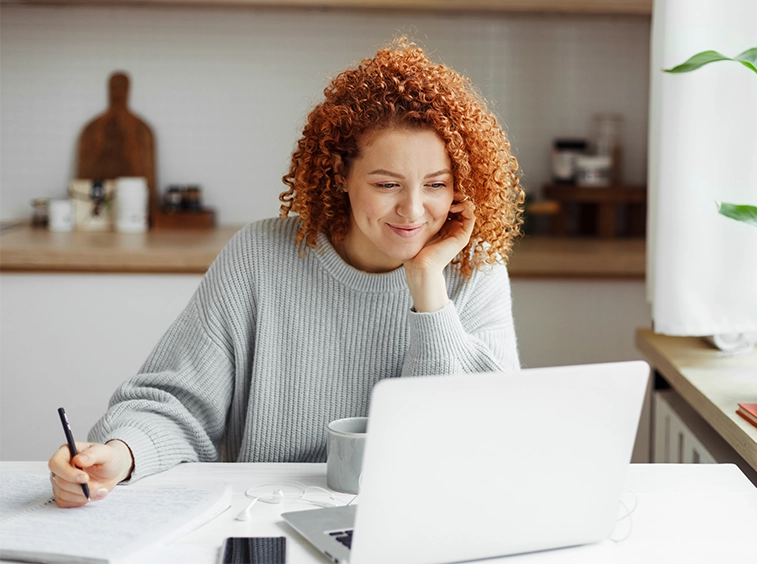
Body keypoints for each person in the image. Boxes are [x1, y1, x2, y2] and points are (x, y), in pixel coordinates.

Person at [48, 37, 525, 508]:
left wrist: (427, 288)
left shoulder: (472, 269)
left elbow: (481, 436)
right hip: (266, 515)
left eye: (436, 185)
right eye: (386, 184)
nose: (413, 210)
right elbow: (176, 402)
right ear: (341, 174)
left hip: (415, 519)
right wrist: (120, 453)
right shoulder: (260, 257)